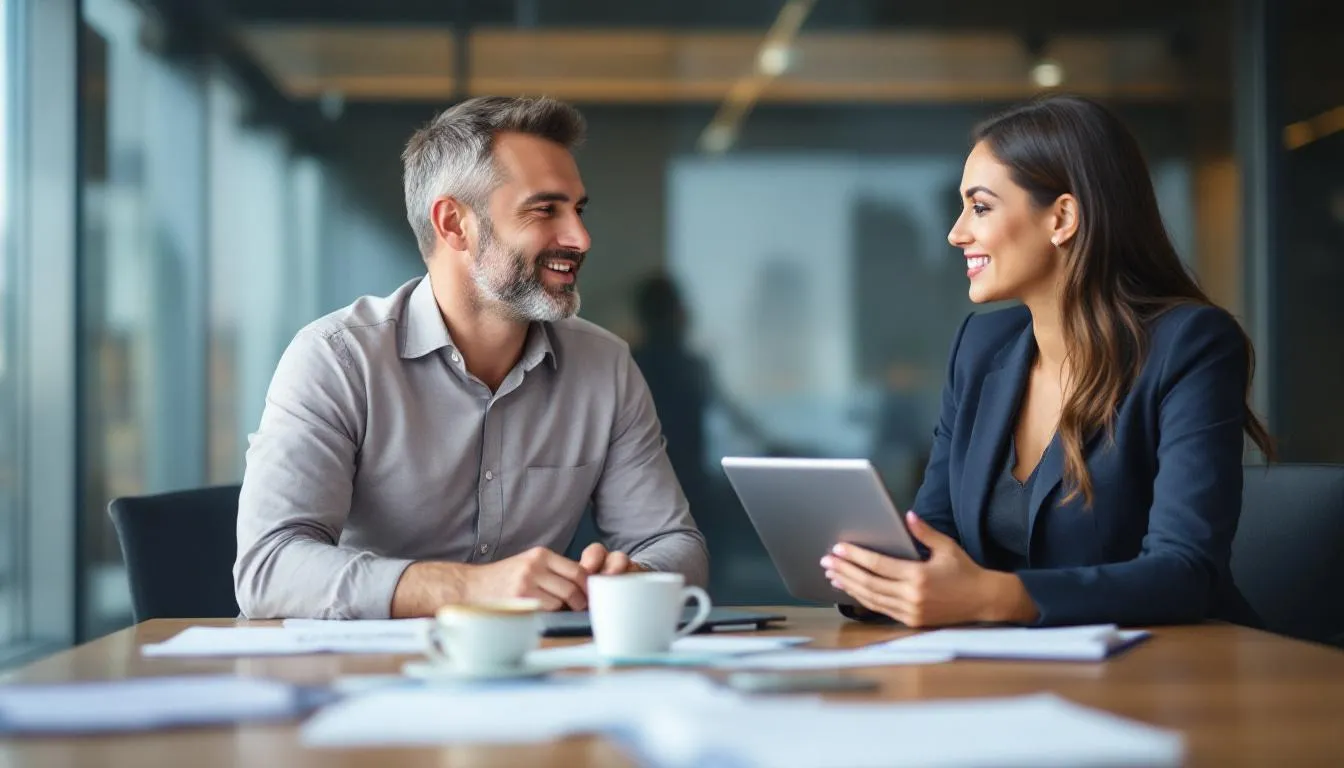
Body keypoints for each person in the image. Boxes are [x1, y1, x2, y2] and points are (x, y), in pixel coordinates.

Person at [234, 96, 708, 619]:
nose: (580, 238)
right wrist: (469, 588)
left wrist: (630, 579)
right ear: (455, 224)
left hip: (538, 679)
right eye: (545, 209)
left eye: (578, 210)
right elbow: (268, 568)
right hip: (368, 677)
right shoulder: (336, 360)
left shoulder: (605, 366)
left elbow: (674, 545)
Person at [821, 95, 1274, 628]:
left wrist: (993, 598)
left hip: (1168, 677)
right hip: (1009, 674)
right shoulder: (980, 347)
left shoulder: (1190, 345)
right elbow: (936, 532)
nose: (956, 232)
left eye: (981, 207)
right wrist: (874, 577)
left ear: (1061, 217)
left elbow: (1184, 572)